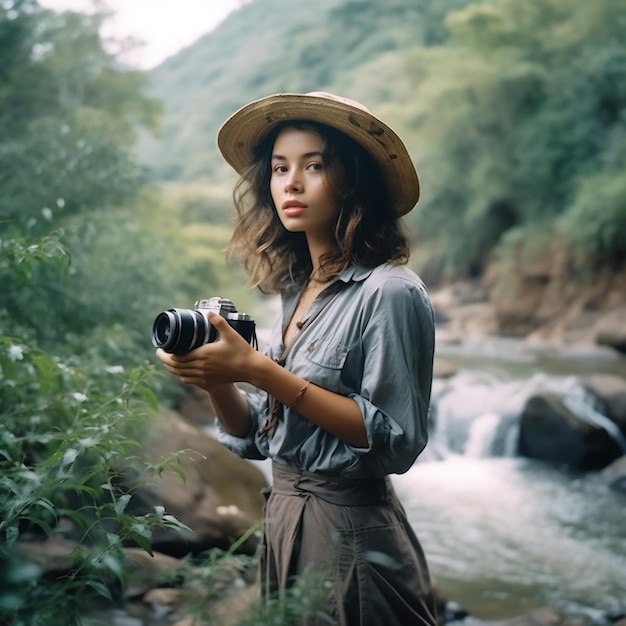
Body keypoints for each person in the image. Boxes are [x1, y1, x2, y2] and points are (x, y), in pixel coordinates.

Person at [156, 91, 438, 626]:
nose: (292, 182)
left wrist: (261, 370)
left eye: (315, 166)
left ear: (352, 181)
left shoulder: (390, 292)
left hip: (350, 528)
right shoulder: (295, 289)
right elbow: (255, 434)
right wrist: (218, 378)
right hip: (282, 516)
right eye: (281, 168)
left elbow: (394, 439)